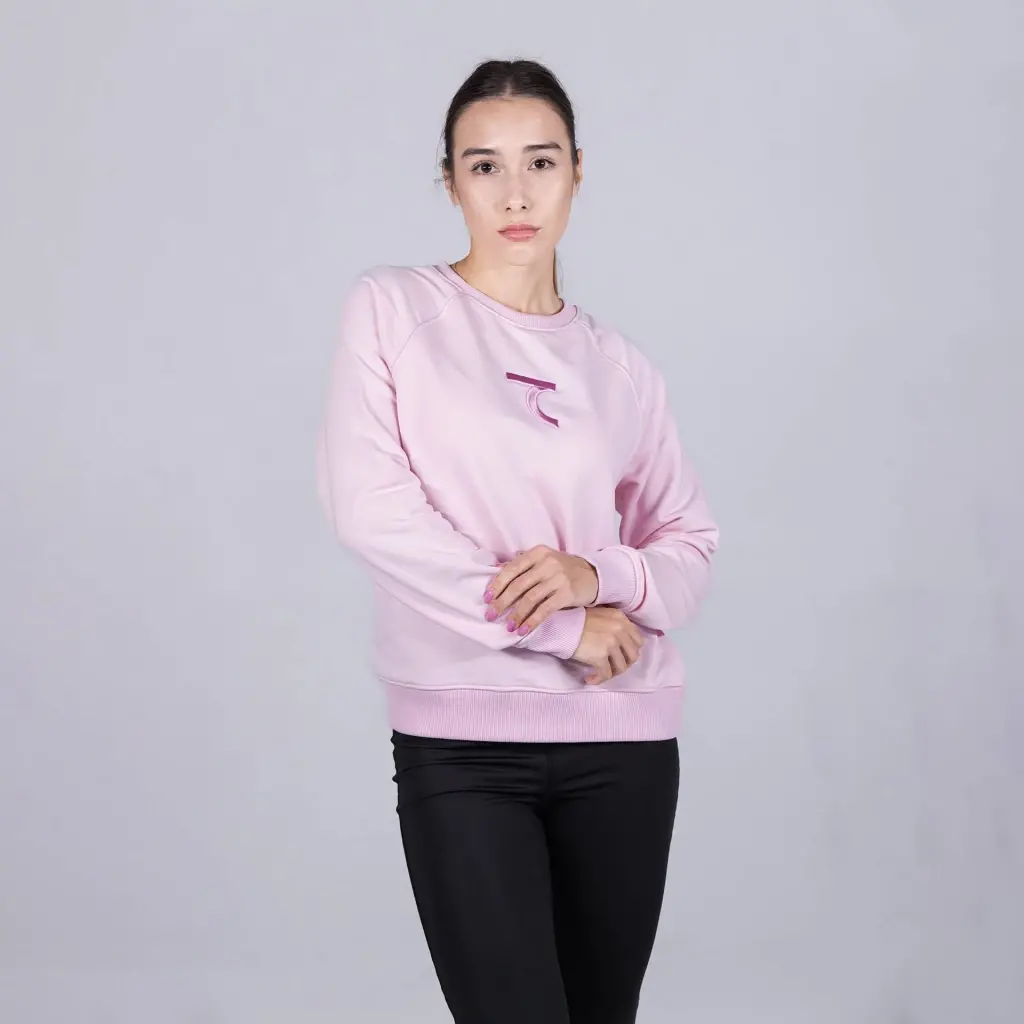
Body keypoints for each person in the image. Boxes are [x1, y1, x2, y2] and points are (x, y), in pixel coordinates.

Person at [315, 58, 719, 1024]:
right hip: (464, 749)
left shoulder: (621, 367)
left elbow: (689, 546)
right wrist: (559, 626)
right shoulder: (394, 309)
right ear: (449, 181)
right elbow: (371, 509)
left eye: (540, 162)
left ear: (578, 172)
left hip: (623, 744)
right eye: (484, 166)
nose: (516, 194)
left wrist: (598, 574)